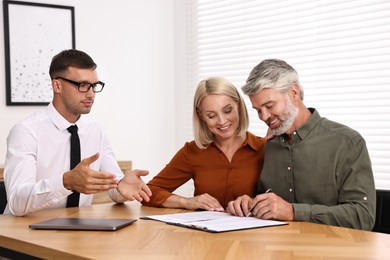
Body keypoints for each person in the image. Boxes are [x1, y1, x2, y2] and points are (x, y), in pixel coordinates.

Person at [226, 59, 376, 230]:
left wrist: (293, 212)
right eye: (258, 110)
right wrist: (252, 205)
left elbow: (363, 216)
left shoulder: (347, 142)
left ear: (294, 93)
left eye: (269, 106)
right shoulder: (270, 145)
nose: (263, 116)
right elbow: (269, 203)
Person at [4, 49, 152, 216]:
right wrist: (65, 182)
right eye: (82, 85)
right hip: (24, 232)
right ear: (57, 85)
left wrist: (121, 187)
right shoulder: (26, 131)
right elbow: (16, 203)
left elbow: (114, 188)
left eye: (94, 86)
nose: (91, 94)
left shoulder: (96, 131)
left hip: (77, 230)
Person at [141, 77, 266, 211]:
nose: (222, 121)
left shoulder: (265, 149)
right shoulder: (192, 151)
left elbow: (283, 199)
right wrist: (186, 202)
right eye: (211, 115)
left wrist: (254, 203)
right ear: (201, 116)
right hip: (204, 231)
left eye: (228, 110)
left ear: (239, 107)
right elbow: (149, 192)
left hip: (252, 231)